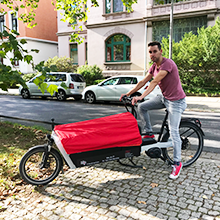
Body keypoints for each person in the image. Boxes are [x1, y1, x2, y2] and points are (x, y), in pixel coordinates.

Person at [120, 41, 187, 179]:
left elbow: (154, 82)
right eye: (150, 52)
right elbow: (143, 82)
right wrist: (129, 93)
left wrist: (141, 96)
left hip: (176, 102)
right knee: (142, 107)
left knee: (173, 131)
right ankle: (149, 133)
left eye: (154, 51)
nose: (152, 54)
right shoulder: (153, 67)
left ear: (161, 51)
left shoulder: (167, 64)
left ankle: (177, 163)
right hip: (164, 98)